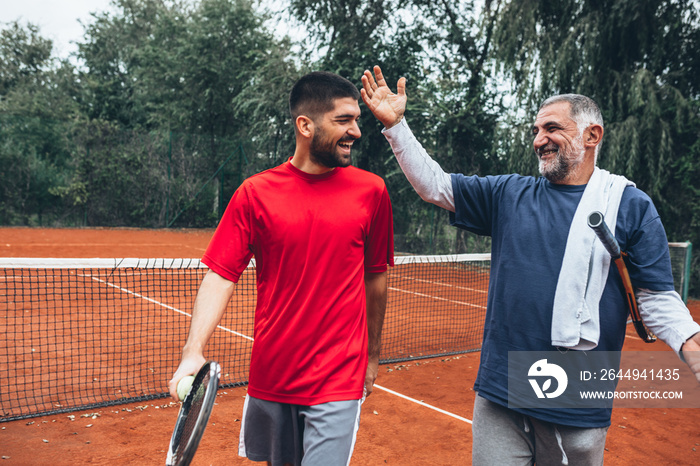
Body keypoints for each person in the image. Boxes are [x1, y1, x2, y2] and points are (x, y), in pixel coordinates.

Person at [360, 65, 700, 465]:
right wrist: (397, 126)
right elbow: (434, 185)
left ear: (592, 136)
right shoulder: (509, 193)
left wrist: (691, 346)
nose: (540, 140)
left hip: (577, 394)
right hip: (502, 386)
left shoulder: (630, 205)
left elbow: (654, 297)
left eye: (552, 129)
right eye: (536, 131)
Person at [169, 71, 394, 466]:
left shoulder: (372, 191)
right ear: (305, 125)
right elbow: (222, 274)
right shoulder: (254, 194)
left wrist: (372, 358)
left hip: (339, 377)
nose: (356, 131)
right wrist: (193, 352)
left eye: (357, 120)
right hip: (272, 377)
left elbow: (375, 277)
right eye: (344, 120)